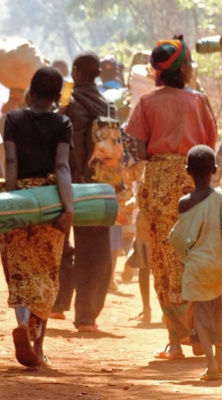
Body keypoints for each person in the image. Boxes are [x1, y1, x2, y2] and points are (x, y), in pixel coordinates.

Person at [125, 35, 217, 359]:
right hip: (196, 180)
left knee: (164, 260)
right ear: (184, 69)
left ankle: (175, 341)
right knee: (195, 255)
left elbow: (135, 146)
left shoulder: (147, 102)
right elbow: (210, 145)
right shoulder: (200, 100)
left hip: (160, 182)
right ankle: (199, 333)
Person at [0, 66, 73, 367]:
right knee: (45, 274)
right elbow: (61, 167)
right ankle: (38, 347)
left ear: (30, 91)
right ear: (57, 96)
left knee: (19, 272)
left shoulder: (12, 119)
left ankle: (21, 323)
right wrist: (68, 208)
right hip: (50, 201)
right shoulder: (62, 122)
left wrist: (16, 201)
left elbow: (12, 160)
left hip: (18, 198)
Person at [169, 145, 222, 381]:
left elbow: (177, 237)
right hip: (220, 267)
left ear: (188, 171)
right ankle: (220, 360)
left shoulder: (184, 203)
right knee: (219, 311)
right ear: (215, 170)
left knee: (201, 316)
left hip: (196, 267)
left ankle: (211, 364)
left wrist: (187, 257)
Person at [64, 51, 116, 332]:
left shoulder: (68, 104)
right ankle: (87, 317)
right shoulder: (108, 105)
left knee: (57, 243)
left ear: (75, 71)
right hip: (98, 184)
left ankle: (56, 305)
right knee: (95, 251)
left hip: (65, 181)